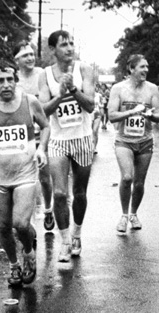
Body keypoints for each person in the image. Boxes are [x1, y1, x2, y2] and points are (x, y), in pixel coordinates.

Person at [0, 66, 49, 286]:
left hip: (25, 170)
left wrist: (41, 148)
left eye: (9, 80)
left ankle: (29, 253)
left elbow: (45, 126)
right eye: (0, 81)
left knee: (20, 224)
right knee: (3, 226)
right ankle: (14, 265)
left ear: (16, 81)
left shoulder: (30, 102)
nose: (5, 84)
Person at [38, 30, 95, 262]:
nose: (70, 48)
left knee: (79, 192)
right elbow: (43, 111)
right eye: (64, 45)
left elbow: (90, 105)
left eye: (72, 43)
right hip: (58, 140)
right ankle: (64, 241)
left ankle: (77, 234)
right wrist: (61, 95)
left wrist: (73, 89)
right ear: (53, 50)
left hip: (82, 138)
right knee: (60, 193)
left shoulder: (85, 70)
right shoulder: (45, 75)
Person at [107, 54, 159, 233]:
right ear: (131, 69)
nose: (146, 70)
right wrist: (131, 113)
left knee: (139, 183)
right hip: (124, 141)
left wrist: (150, 115)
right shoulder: (118, 89)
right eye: (142, 67)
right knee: (127, 177)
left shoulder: (152, 89)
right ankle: (123, 216)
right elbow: (112, 115)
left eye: (147, 66)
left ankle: (133, 214)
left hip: (145, 141)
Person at [13, 40, 55, 232]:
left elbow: (52, 100)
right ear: (16, 60)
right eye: (25, 55)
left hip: (43, 132)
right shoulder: (12, 79)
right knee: (23, 180)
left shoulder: (42, 74)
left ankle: (48, 209)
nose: (30, 58)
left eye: (31, 54)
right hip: (20, 137)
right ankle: (26, 221)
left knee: (45, 177)